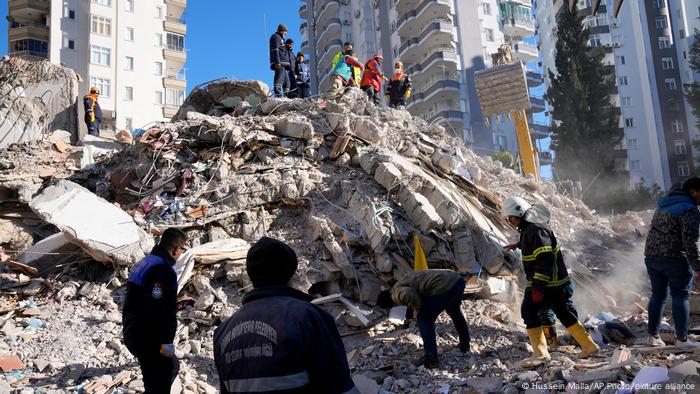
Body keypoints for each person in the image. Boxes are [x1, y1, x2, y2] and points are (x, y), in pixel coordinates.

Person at [213, 237, 359, 394]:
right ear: (290, 273)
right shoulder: (308, 317)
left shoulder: (222, 333)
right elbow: (341, 388)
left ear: (250, 275)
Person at [502, 196, 599, 369]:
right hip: (554, 282)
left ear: (519, 213)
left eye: (511, 217)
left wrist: (538, 286)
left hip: (547, 283)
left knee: (528, 312)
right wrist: (519, 245)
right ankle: (589, 345)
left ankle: (540, 354)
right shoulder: (530, 228)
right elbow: (537, 246)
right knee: (563, 313)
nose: (510, 221)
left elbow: (545, 258)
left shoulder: (534, 229)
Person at [122, 228, 188, 393]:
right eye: (182, 249)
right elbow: (158, 310)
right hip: (150, 338)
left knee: (161, 373)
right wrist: (165, 345)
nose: (180, 254)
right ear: (176, 249)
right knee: (163, 376)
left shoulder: (144, 263)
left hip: (134, 331)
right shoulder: (162, 270)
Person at [643, 177, 700, 349]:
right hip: (675, 258)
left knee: (658, 295)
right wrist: (697, 266)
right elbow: (690, 241)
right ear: (693, 192)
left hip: (652, 256)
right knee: (681, 295)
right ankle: (682, 339)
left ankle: (652, 336)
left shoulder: (663, 204)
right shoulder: (689, 209)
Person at [377, 269, 471, 369]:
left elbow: (410, 294)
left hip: (443, 285)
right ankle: (465, 345)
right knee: (454, 311)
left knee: (424, 319)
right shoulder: (399, 284)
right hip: (456, 280)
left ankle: (431, 359)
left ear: (390, 304)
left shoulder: (395, 294)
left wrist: (416, 310)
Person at [269, 24, 291, 97]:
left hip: (284, 64)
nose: (286, 34)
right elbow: (275, 49)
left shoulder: (282, 39)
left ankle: (286, 96)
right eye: (285, 32)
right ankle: (278, 95)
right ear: (282, 31)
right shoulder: (276, 37)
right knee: (279, 80)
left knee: (287, 83)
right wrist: (277, 62)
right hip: (280, 63)